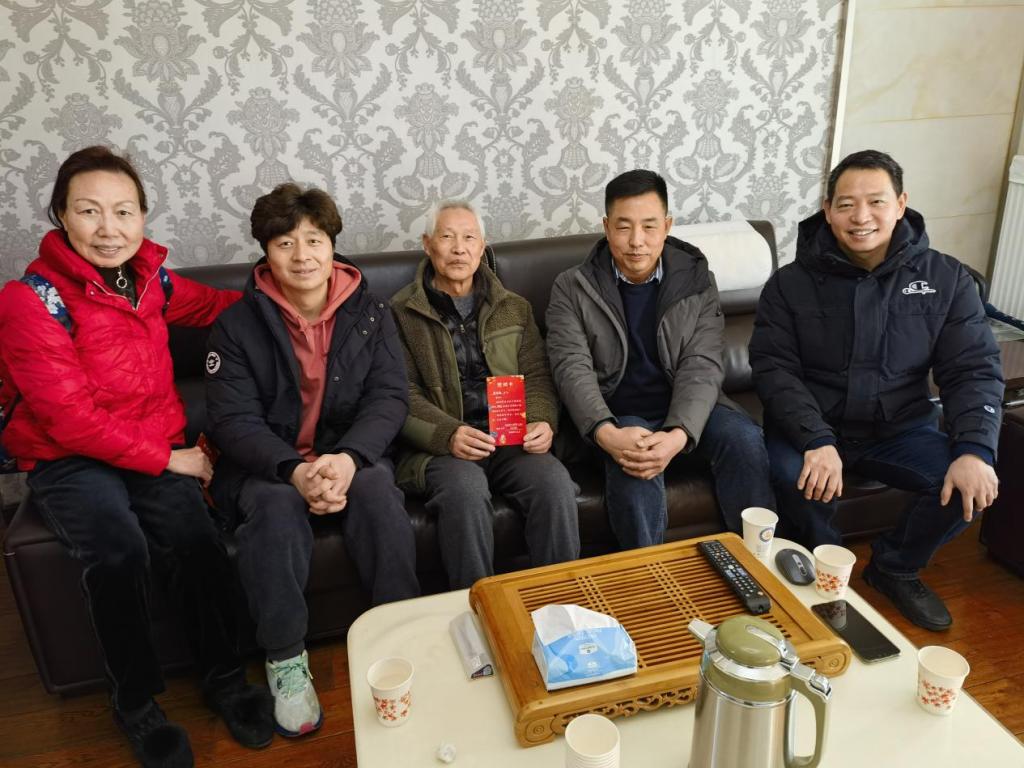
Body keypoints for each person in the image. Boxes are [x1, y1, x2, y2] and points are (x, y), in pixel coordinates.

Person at [0, 146, 273, 768]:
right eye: (89, 211)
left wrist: (295, 297)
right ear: (61, 215)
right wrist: (169, 459)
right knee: (118, 549)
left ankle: (225, 680)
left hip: (151, 442)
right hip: (69, 457)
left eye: (123, 211)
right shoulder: (30, 299)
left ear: (143, 216)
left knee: (197, 540)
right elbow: (68, 419)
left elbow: (220, 309)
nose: (109, 228)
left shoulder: (153, 280)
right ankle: (135, 703)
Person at [749, 149, 1003, 631]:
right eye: (846, 204)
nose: (860, 217)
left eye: (876, 202)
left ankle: (894, 567)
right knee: (795, 478)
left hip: (899, 429)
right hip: (812, 427)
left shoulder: (945, 279)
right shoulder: (790, 284)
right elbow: (774, 370)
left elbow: (972, 369)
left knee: (968, 483)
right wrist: (815, 438)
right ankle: (825, 577)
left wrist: (974, 448)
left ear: (901, 204)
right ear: (827, 211)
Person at [205, 183, 420, 736]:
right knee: (276, 509)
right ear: (266, 252)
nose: (302, 256)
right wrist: (296, 471)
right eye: (285, 243)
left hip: (348, 454)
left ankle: (401, 633)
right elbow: (233, 421)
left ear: (332, 245)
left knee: (378, 491)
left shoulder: (371, 313)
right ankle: (285, 660)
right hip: (269, 467)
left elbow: (389, 398)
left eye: (314, 240)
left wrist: (348, 459)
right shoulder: (235, 325)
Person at [546, 169, 775, 549]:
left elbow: (703, 364)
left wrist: (678, 433)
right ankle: (648, 574)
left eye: (649, 226)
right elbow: (571, 368)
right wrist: (606, 432)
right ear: (606, 227)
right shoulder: (572, 286)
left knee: (745, 440)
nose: (637, 241)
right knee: (634, 463)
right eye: (624, 227)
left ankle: (756, 561)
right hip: (619, 415)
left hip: (689, 411)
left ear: (667, 226)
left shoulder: (695, 279)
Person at [390, 200, 580, 589]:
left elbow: (538, 376)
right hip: (442, 449)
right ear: (428, 244)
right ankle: (477, 605)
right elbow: (400, 392)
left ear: (482, 246)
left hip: (509, 440)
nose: (459, 248)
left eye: (469, 237)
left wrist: (542, 420)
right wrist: (448, 434)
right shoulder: (400, 312)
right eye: (447, 237)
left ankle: (559, 601)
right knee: (464, 491)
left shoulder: (514, 308)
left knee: (554, 485)